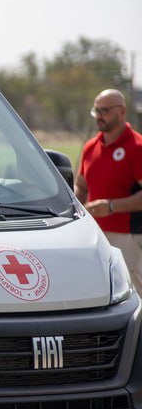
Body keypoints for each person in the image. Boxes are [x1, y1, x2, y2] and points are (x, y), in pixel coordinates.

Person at [75, 88, 142, 292]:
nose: (99, 116)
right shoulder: (90, 147)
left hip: (129, 236)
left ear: (122, 111)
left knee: (134, 294)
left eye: (105, 110)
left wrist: (111, 206)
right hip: (95, 235)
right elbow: (81, 185)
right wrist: (77, 206)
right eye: (96, 111)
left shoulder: (137, 146)